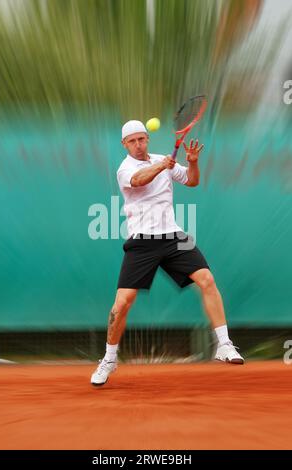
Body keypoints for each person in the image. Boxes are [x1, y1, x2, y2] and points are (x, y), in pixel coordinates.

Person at [91, 120, 244, 386]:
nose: (138, 145)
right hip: (142, 241)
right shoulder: (125, 168)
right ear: (124, 144)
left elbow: (192, 181)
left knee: (206, 279)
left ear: (148, 139)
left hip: (172, 236)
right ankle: (109, 359)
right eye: (132, 141)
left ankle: (224, 344)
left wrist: (193, 162)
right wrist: (162, 165)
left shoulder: (163, 159)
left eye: (142, 139)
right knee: (122, 303)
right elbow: (139, 181)